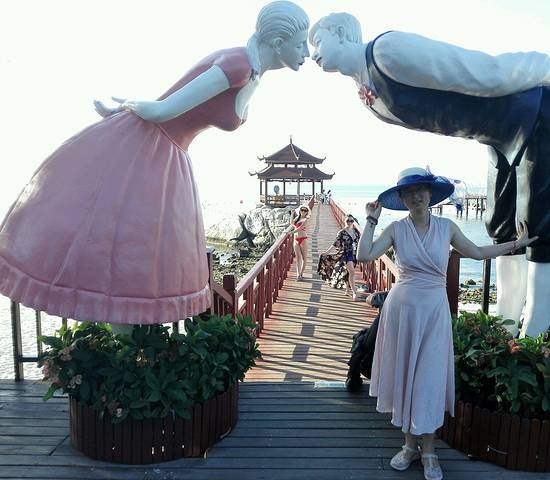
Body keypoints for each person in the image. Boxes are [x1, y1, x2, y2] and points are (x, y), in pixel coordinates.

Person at [0, 1, 310, 325]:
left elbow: (167, 107)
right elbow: (162, 110)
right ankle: (120, 340)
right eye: (301, 44)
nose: (306, 52)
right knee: (123, 246)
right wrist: (125, 107)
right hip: (149, 147)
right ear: (278, 43)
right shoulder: (238, 66)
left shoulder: (250, 72)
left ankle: (126, 343)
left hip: (169, 152)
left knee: (136, 254)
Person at [309, 12, 550, 338]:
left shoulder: (386, 52)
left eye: (319, 42)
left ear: (341, 34)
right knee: (503, 230)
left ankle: (532, 343)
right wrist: (372, 221)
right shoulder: (366, 91)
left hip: (542, 116)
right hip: (497, 137)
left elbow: (478, 69)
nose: (313, 54)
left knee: (544, 236)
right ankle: (505, 332)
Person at [357, 166, 537, 480]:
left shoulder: (447, 227)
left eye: (420, 190)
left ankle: (429, 450)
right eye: (409, 193)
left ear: (431, 194)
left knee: (428, 377)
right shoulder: (396, 229)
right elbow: (364, 255)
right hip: (402, 312)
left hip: (433, 312)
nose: (416, 196)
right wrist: (371, 220)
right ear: (402, 198)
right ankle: (409, 446)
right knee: (405, 375)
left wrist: (516, 245)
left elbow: (477, 252)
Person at [323, 214, 361, 299]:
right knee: (352, 272)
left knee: (349, 273)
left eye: (351, 221)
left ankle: (347, 290)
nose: (349, 222)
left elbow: (360, 243)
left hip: (354, 254)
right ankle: (354, 292)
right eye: (348, 221)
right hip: (346, 254)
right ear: (344, 221)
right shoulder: (341, 233)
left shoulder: (356, 232)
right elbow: (335, 244)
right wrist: (326, 252)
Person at [290, 205, 310, 280]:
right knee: (298, 257)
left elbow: (299, 228)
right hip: (296, 239)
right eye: (302, 210)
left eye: (305, 211)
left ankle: (301, 273)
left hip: (303, 239)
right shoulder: (297, 218)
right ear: (300, 210)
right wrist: (292, 214)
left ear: (307, 212)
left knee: (304, 258)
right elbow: (292, 223)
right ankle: (298, 275)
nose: (303, 212)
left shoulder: (305, 219)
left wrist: (291, 233)